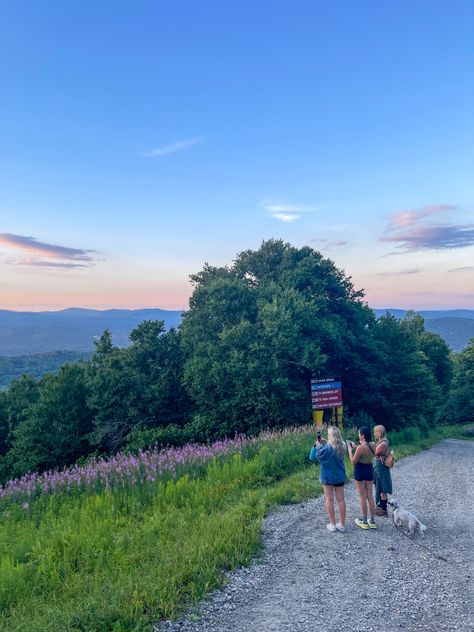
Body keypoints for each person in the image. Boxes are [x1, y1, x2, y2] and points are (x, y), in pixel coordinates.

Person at [309, 426, 347, 532]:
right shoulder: (342, 446)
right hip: (339, 476)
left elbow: (313, 457)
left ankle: (333, 524)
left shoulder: (326, 448)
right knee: (341, 500)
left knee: (329, 499)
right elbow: (333, 448)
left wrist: (316, 446)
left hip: (327, 476)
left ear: (330, 436)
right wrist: (325, 443)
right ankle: (342, 524)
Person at [347, 427, 376, 530]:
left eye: (359, 434)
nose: (358, 435)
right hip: (369, 470)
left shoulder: (360, 448)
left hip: (360, 471)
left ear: (362, 435)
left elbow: (353, 462)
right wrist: (356, 447)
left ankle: (364, 521)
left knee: (362, 497)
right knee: (370, 496)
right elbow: (366, 451)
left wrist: (350, 450)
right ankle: (372, 521)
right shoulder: (373, 444)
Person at [373, 424, 393, 516]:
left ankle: (383, 509)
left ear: (378, 432)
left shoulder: (383, 443)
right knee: (380, 487)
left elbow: (374, 453)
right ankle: (381, 506)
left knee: (382, 488)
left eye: (375, 432)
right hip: (379, 466)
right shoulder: (382, 441)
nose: (374, 434)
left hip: (381, 467)